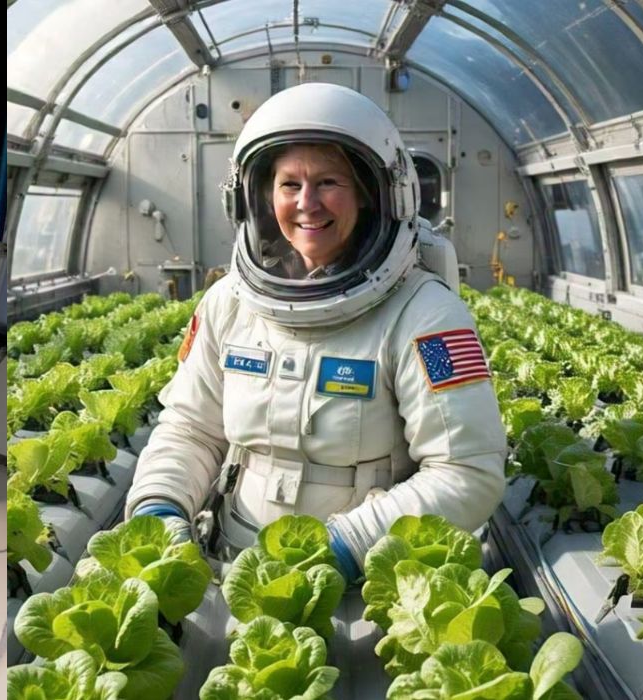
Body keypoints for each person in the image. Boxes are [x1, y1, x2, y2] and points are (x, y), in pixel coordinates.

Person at [124, 82, 506, 582]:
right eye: (289, 185)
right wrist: (161, 507)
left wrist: (341, 549)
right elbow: (191, 429)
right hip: (228, 565)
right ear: (256, 198)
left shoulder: (424, 316)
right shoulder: (229, 303)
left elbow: (467, 474)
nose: (307, 203)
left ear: (376, 196)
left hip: (367, 585)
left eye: (329, 182)